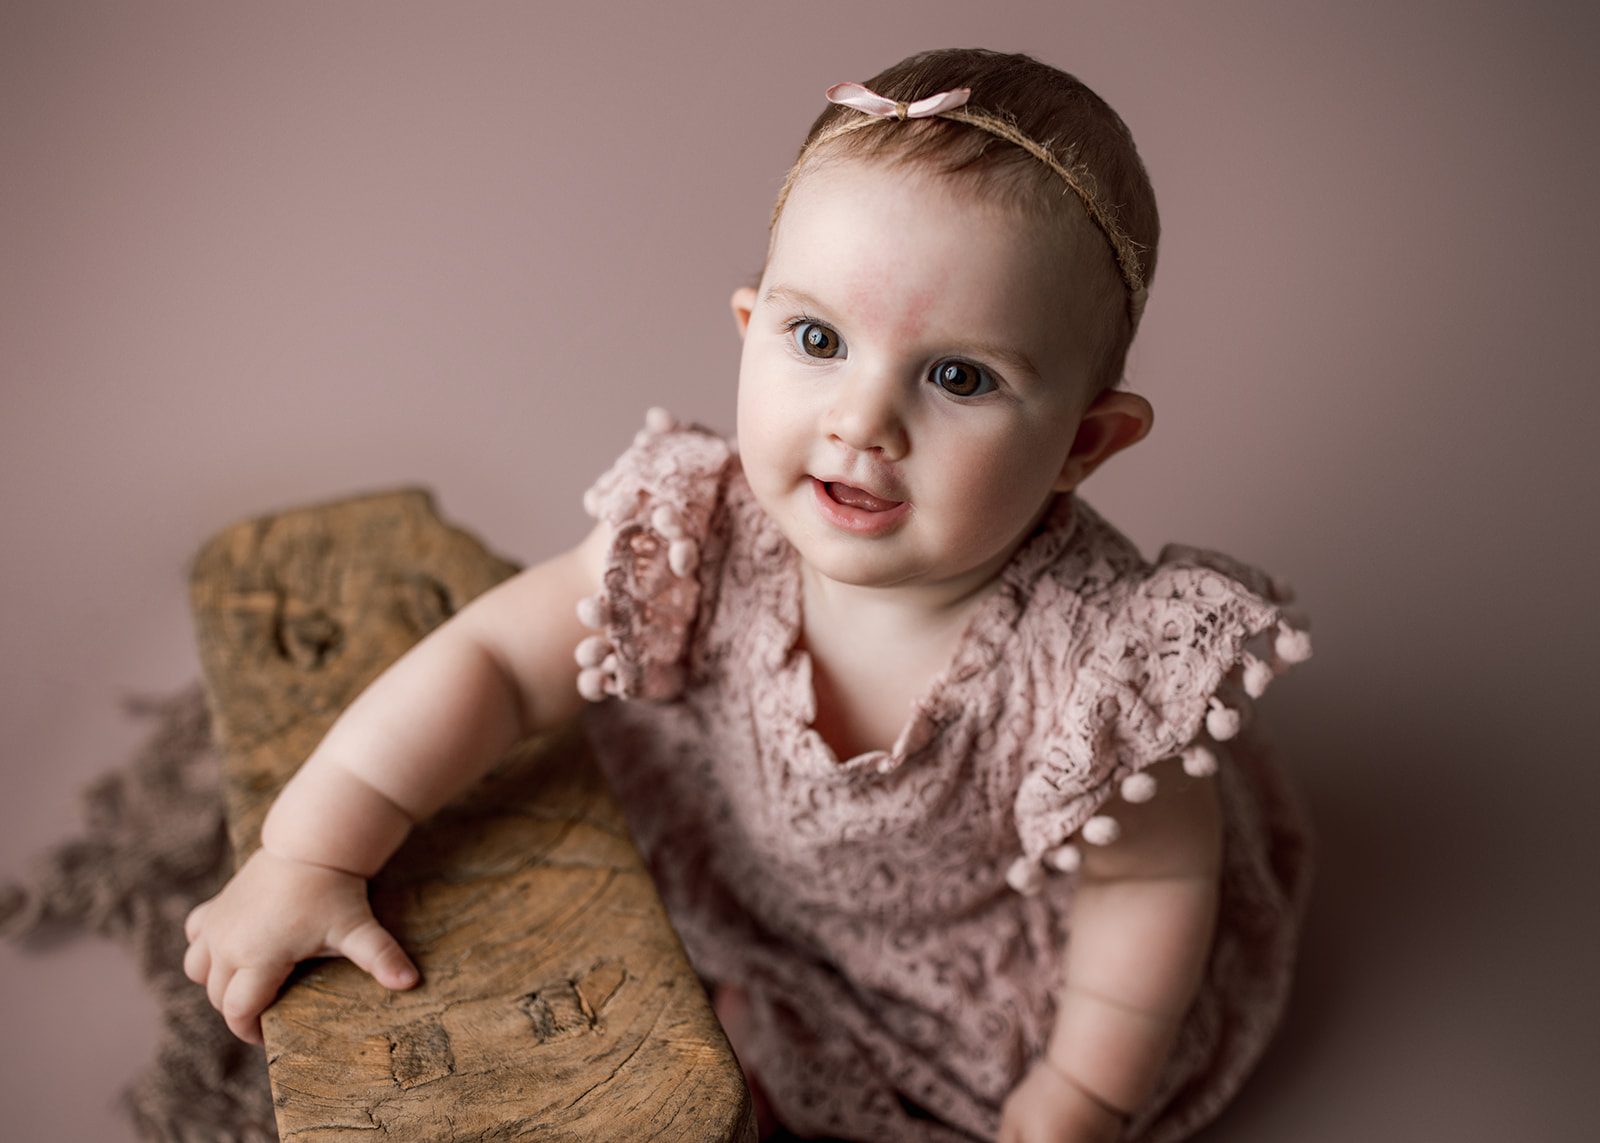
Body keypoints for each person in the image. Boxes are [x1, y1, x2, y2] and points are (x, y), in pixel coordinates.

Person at [184, 48, 1311, 1143]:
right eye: (817, 339)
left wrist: (1078, 1097)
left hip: (957, 961)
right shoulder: (707, 528)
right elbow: (493, 659)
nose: (861, 423)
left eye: (958, 376)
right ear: (748, 329)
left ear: (1083, 441)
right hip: (731, 856)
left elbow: (1152, 883)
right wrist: (311, 851)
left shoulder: (1099, 669)